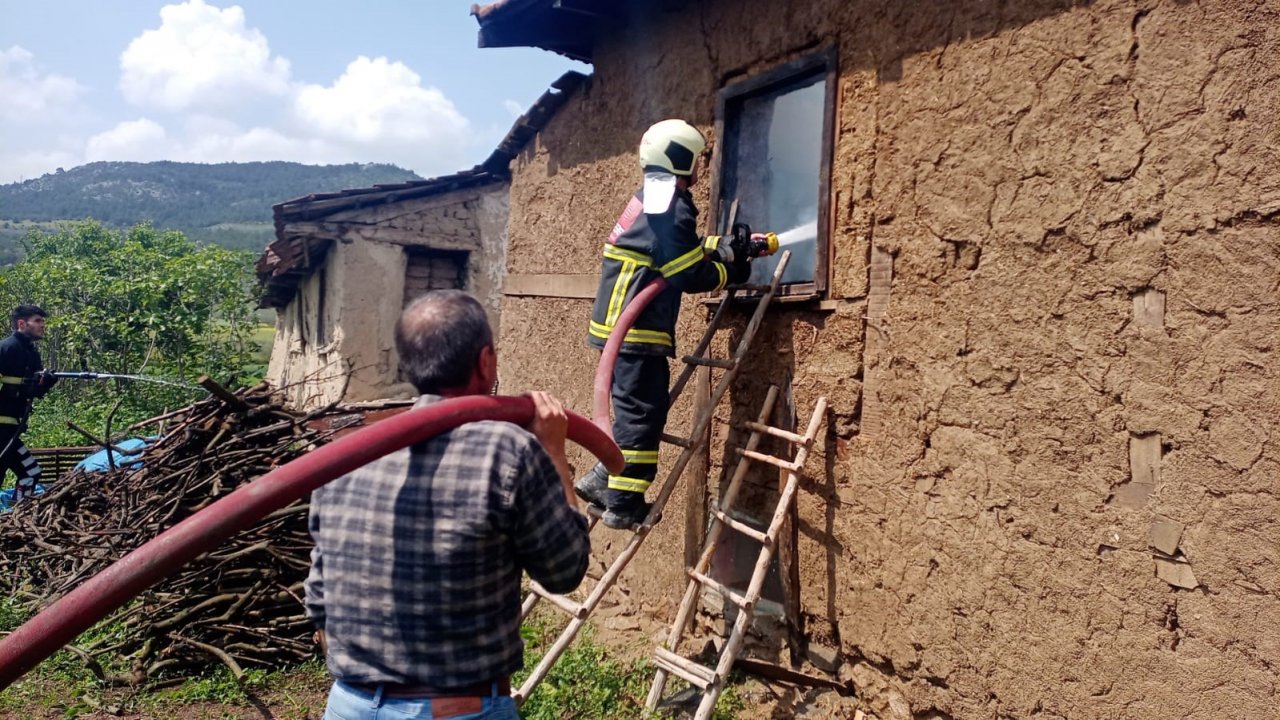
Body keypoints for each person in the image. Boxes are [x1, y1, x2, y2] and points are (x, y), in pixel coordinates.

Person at [305, 290, 590, 720]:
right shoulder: (507, 451)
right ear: (486, 361)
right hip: (455, 710)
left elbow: (319, 599)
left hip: (349, 704)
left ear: (408, 364)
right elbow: (566, 571)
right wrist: (553, 450)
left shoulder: (348, 454)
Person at [575, 119, 773, 529]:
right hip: (636, 329)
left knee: (631, 412)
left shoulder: (655, 197)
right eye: (697, 157)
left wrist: (729, 248)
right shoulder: (671, 203)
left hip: (621, 328)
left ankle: (601, 478)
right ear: (680, 158)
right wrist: (730, 274)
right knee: (642, 416)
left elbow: (679, 249)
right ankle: (623, 503)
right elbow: (687, 273)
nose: (701, 166)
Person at [0, 304, 57, 501]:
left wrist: (46, 382)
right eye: (38, 321)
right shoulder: (6, 348)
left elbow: (33, 390)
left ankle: (15, 517)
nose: (43, 325)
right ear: (22, 323)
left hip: (12, 428)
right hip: (1, 429)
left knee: (30, 473)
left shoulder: (32, 353)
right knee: (29, 472)